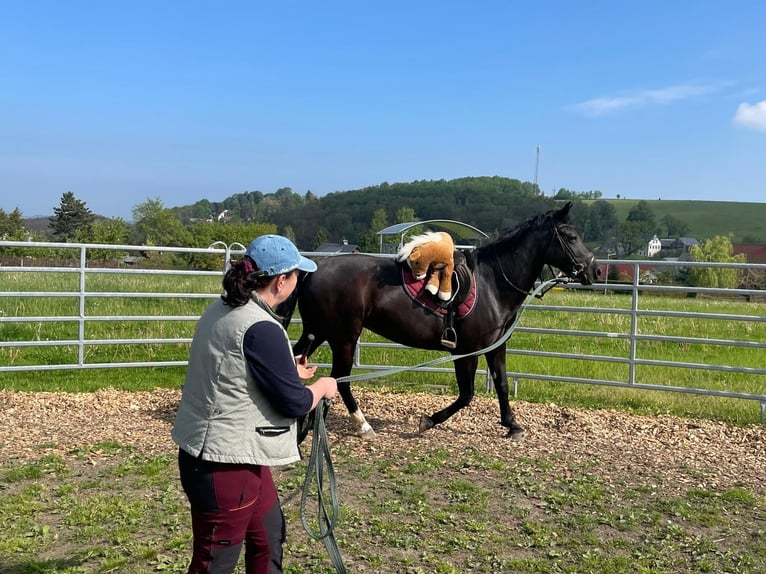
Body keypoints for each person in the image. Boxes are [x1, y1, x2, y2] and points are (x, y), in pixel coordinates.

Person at [172, 234, 337, 574]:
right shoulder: (262, 327)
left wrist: (286, 369)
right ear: (281, 281)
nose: (297, 283)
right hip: (225, 465)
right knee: (213, 564)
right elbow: (294, 401)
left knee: (268, 535)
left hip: (231, 457)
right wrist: (322, 387)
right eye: (296, 276)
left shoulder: (224, 308)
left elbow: (233, 366)